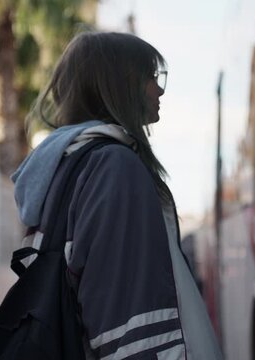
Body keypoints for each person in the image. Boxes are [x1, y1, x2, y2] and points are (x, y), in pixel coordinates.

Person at [11, 32, 222, 360]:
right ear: (120, 84)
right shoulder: (115, 167)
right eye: (151, 76)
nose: (160, 88)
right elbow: (128, 324)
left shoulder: (69, 162)